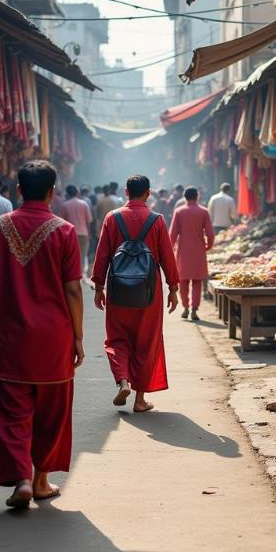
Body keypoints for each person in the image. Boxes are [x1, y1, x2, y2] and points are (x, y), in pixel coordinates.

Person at [0, 160, 84, 509]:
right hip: (54, 337)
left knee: (11, 412)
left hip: (8, 334)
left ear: (20, 190)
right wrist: (79, 337)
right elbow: (73, 290)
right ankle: (41, 480)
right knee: (52, 411)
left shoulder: (0, 227)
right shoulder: (66, 231)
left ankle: (21, 479)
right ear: (53, 192)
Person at [92, 175, 179, 413]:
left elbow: (102, 255)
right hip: (149, 293)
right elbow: (167, 258)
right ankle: (140, 400)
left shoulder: (113, 218)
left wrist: (99, 287)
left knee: (117, 338)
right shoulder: (157, 221)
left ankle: (122, 381)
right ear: (148, 193)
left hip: (118, 291)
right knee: (146, 341)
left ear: (126, 192)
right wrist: (173, 288)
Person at [169, 186, 214, 322]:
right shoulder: (204, 212)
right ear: (197, 196)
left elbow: (172, 234)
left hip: (182, 250)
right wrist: (208, 246)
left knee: (183, 281)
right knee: (197, 281)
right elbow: (210, 233)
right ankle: (194, 308)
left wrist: (170, 250)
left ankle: (185, 307)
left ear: (185, 197)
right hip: (199, 250)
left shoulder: (179, 211)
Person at [61, 184, 93, 274]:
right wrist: (89, 234)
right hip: (83, 233)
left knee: (71, 256)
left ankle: (72, 273)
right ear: (77, 192)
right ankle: (80, 274)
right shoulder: (84, 204)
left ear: (67, 193)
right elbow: (88, 221)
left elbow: (62, 222)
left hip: (70, 234)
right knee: (82, 255)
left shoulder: (64, 205)